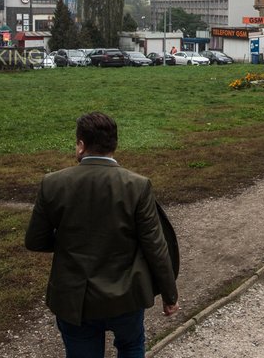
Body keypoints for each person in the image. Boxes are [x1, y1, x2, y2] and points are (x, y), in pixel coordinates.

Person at [26, 112, 179, 357]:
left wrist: (68, 243)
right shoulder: (137, 185)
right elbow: (155, 246)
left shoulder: (53, 183)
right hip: (126, 296)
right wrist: (170, 295)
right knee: (131, 346)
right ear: (114, 144)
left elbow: (35, 240)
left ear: (81, 145)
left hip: (76, 299)